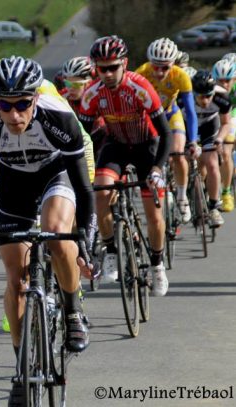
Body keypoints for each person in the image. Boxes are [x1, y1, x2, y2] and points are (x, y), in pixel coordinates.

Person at [0, 57, 96, 393]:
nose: (14, 114)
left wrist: (86, 242)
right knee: (15, 280)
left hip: (56, 173)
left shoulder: (59, 117)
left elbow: (83, 187)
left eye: (23, 104)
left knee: (55, 231)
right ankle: (21, 369)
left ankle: (72, 312)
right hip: (14, 181)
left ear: (36, 97)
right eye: (5, 105)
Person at [79, 36, 172, 296]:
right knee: (101, 190)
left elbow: (165, 133)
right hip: (117, 146)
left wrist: (157, 169)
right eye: (101, 68)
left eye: (113, 67)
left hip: (147, 146)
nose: (107, 73)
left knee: (154, 215)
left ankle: (157, 265)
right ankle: (111, 251)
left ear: (125, 64)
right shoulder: (93, 94)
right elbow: (82, 138)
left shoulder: (140, 88)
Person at [136, 38, 198, 224]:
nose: (160, 72)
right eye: (156, 67)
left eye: (165, 67)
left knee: (179, 154)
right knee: (155, 153)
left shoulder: (181, 76)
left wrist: (193, 141)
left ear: (173, 63)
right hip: (150, 118)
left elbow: (191, 110)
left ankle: (181, 196)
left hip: (171, 114)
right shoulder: (142, 73)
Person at [191, 71, 227, 227]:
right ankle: (185, 193)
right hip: (188, 129)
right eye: (200, 96)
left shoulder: (222, 98)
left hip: (209, 130)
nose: (204, 100)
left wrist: (219, 139)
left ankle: (213, 207)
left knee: (212, 163)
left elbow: (226, 123)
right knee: (186, 161)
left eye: (208, 96)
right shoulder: (182, 99)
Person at [211, 58, 236, 212]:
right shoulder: (210, 88)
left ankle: (226, 193)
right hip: (214, 116)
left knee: (226, 152)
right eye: (220, 81)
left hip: (232, 115)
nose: (224, 85)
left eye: (228, 81)